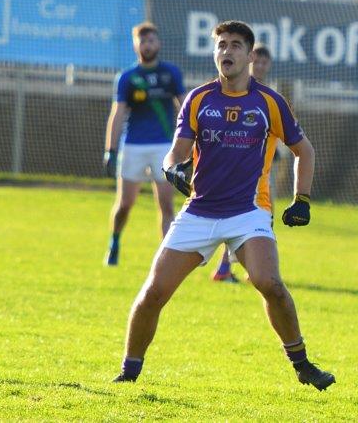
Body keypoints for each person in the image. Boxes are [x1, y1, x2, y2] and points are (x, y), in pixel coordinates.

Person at [113, 20, 334, 391]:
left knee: (270, 283)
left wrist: (302, 199)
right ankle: (128, 372)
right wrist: (172, 170)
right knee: (153, 292)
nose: (226, 51)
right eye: (220, 45)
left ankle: (302, 363)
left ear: (249, 55)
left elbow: (303, 151)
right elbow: (176, 153)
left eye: (235, 45)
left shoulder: (268, 102)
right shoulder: (199, 99)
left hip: (249, 212)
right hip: (200, 211)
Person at [103, 22, 185, 266]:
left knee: (166, 204)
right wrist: (111, 150)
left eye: (151, 40)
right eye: (143, 41)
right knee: (125, 204)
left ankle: (164, 259)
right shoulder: (128, 77)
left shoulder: (170, 73)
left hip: (164, 148)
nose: (147, 45)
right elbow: (117, 114)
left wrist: (190, 142)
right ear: (135, 45)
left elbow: (184, 107)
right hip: (133, 147)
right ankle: (115, 241)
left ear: (158, 44)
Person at [212, 43, 273, 283]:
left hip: (263, 170)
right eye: (256, 61)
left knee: (258, 220)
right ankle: (228, 268)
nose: (258, 66)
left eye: (263, 63)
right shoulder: (230, 92)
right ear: (248, 60)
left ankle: (244, 270)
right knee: (242, 221)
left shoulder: (270, 97)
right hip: (243, 175)